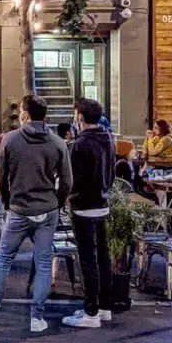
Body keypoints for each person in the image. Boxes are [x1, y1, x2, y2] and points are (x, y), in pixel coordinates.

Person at [0, 95, 72, 333]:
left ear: (25, 113)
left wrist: (7, 203)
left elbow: (1, 177)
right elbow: (67, 181)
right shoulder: (58, 143)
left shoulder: (10, 139)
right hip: (47, 209)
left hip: (18, 208)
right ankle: (37, 317)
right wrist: (56, 204)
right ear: (45, 115)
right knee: (43, 263)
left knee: (4, 260)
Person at [62, 99, 117, 329]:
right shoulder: (108, 140)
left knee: (88, 259)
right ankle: (104, 308)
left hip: (84, 207)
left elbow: (72, 179)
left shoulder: (80, 144)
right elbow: (112, 172)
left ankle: (90, 313)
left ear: (80, 117)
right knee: (103, 258)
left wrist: (68, 197)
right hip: (102, 203)